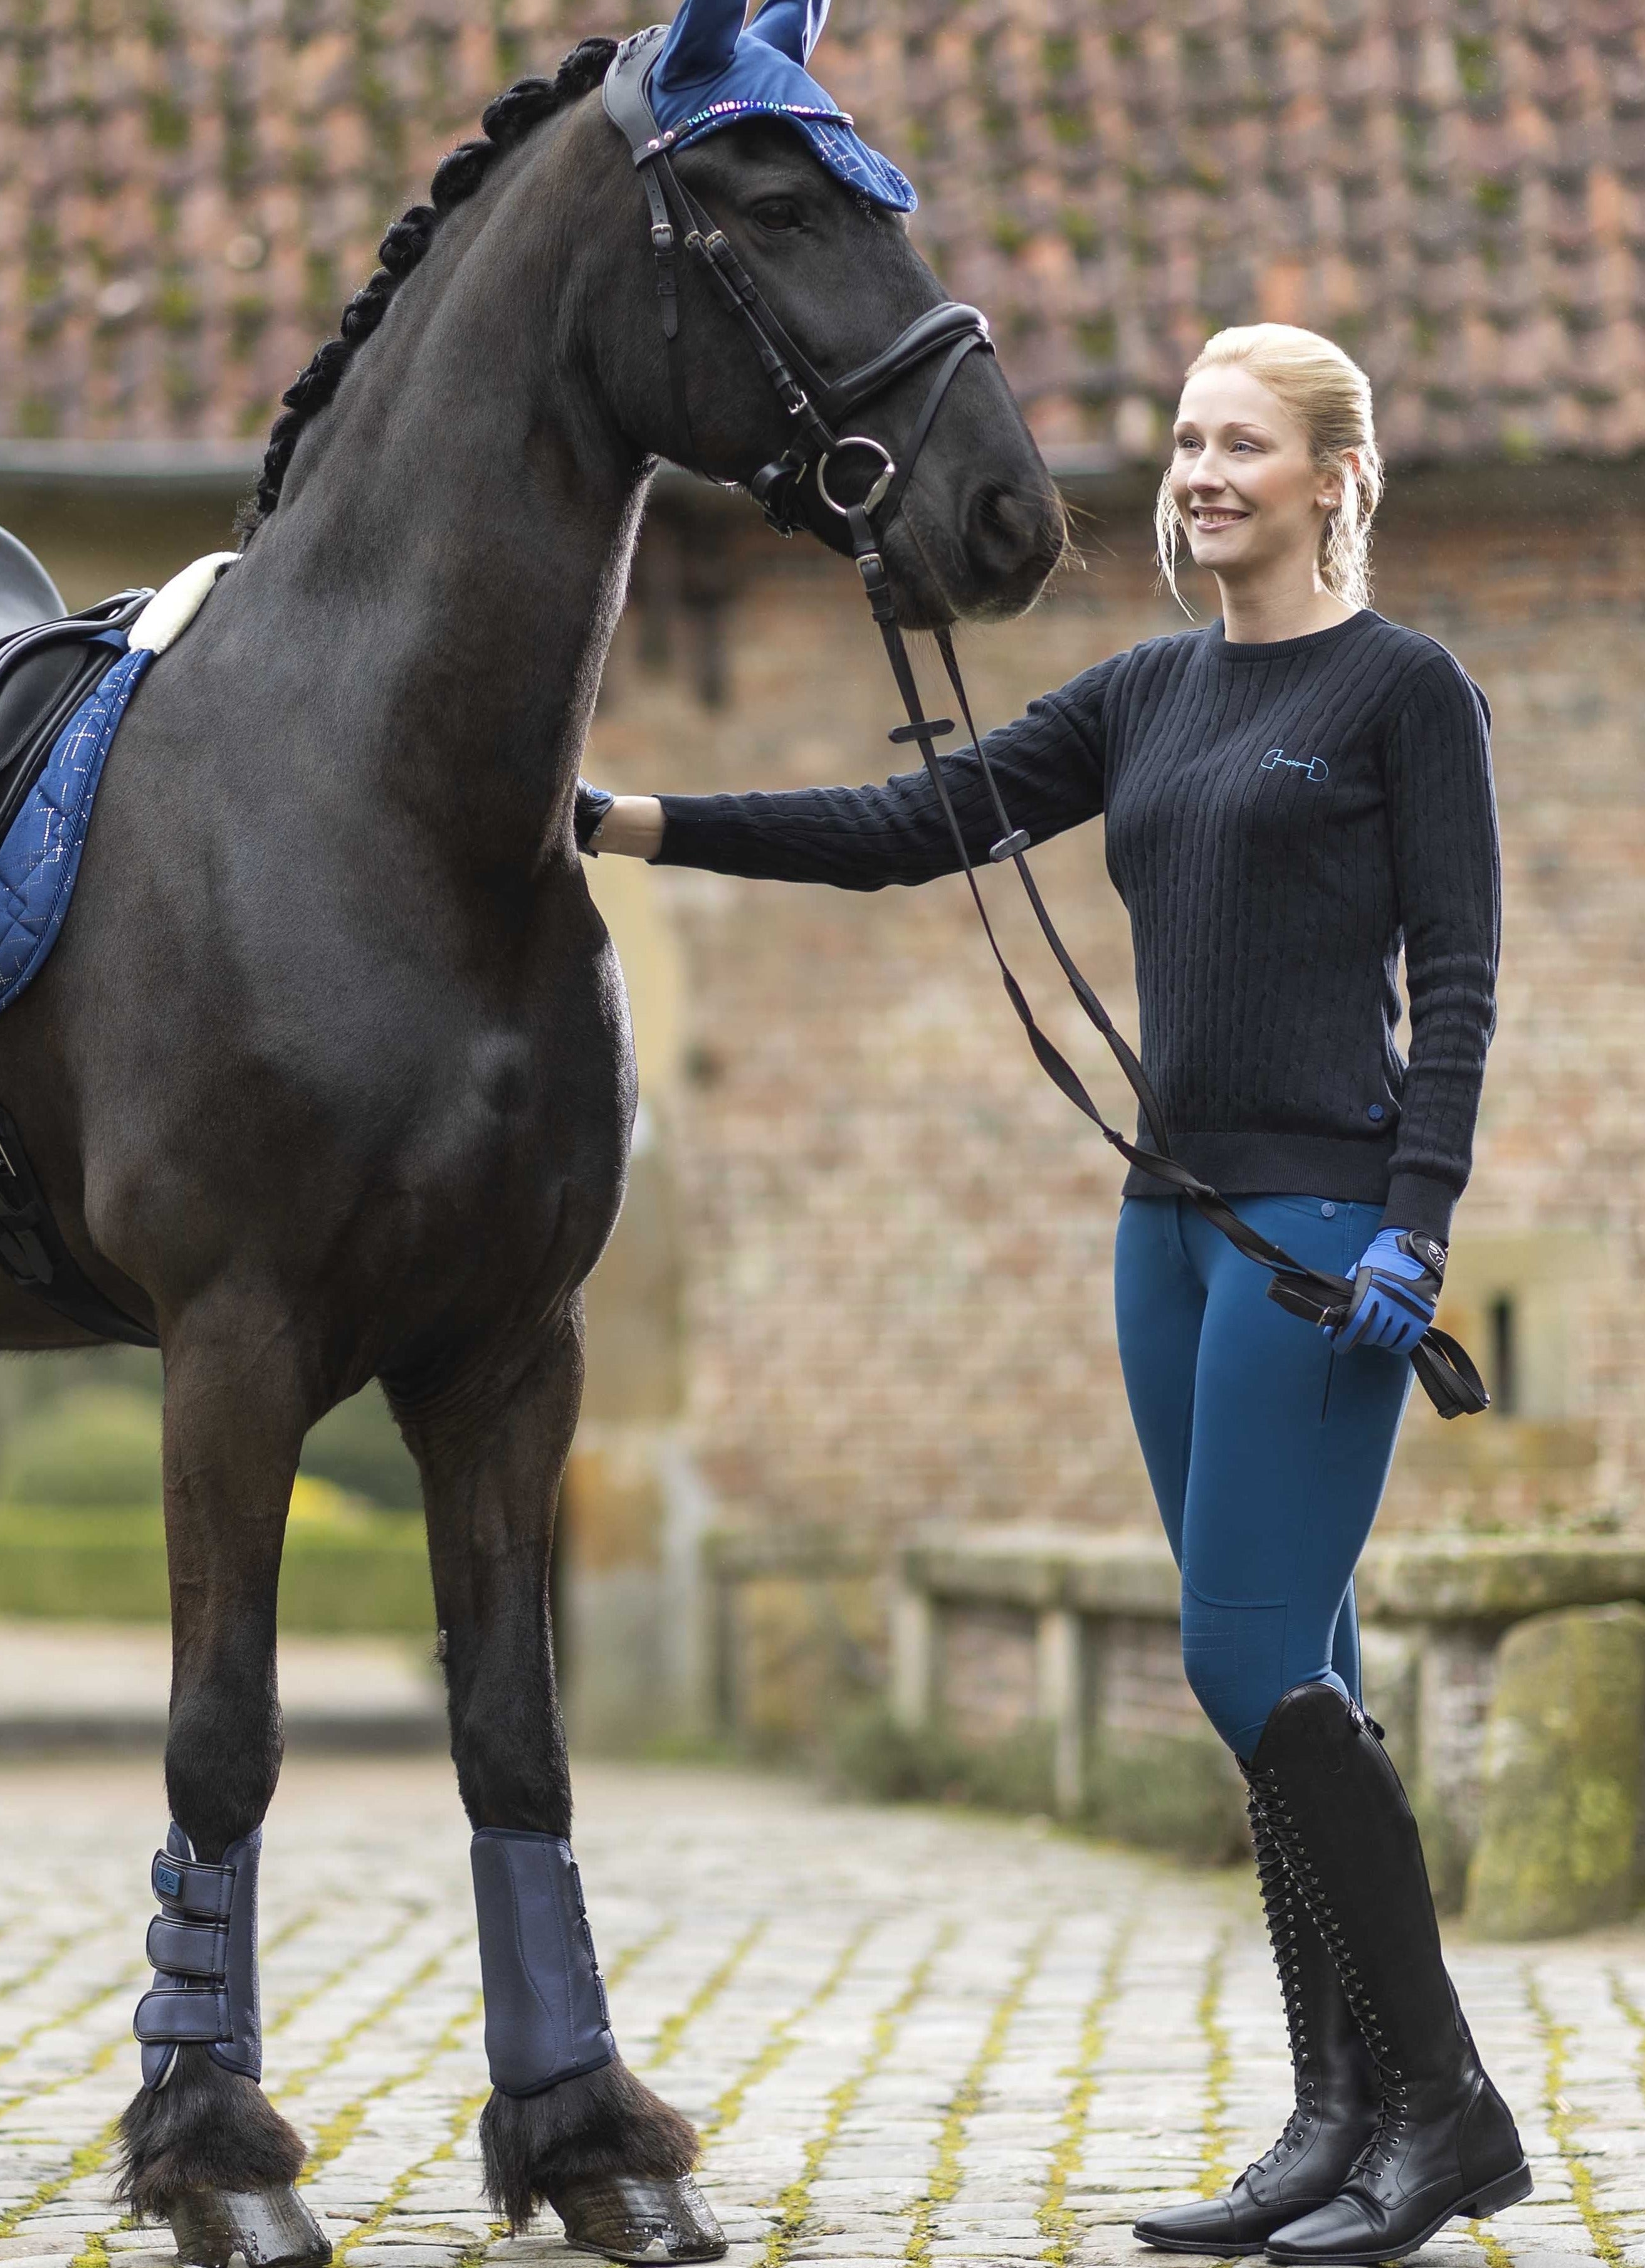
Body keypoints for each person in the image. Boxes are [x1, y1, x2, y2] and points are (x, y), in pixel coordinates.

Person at [581, 324, 1530, 2265]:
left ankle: (1443, 2111)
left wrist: (1414, 1225)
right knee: (1293, 1679)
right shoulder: (1146, 694)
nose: (1201, 474)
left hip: (1316, 1234)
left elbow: (1457, 977)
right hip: (1165, 1225)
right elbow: (908, 829)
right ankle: (1333, 2113)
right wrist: (636, 822)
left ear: (1332, 476)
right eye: (1185, 442)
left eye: (1242, 444)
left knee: (1241, 1657)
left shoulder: (1402, 692)